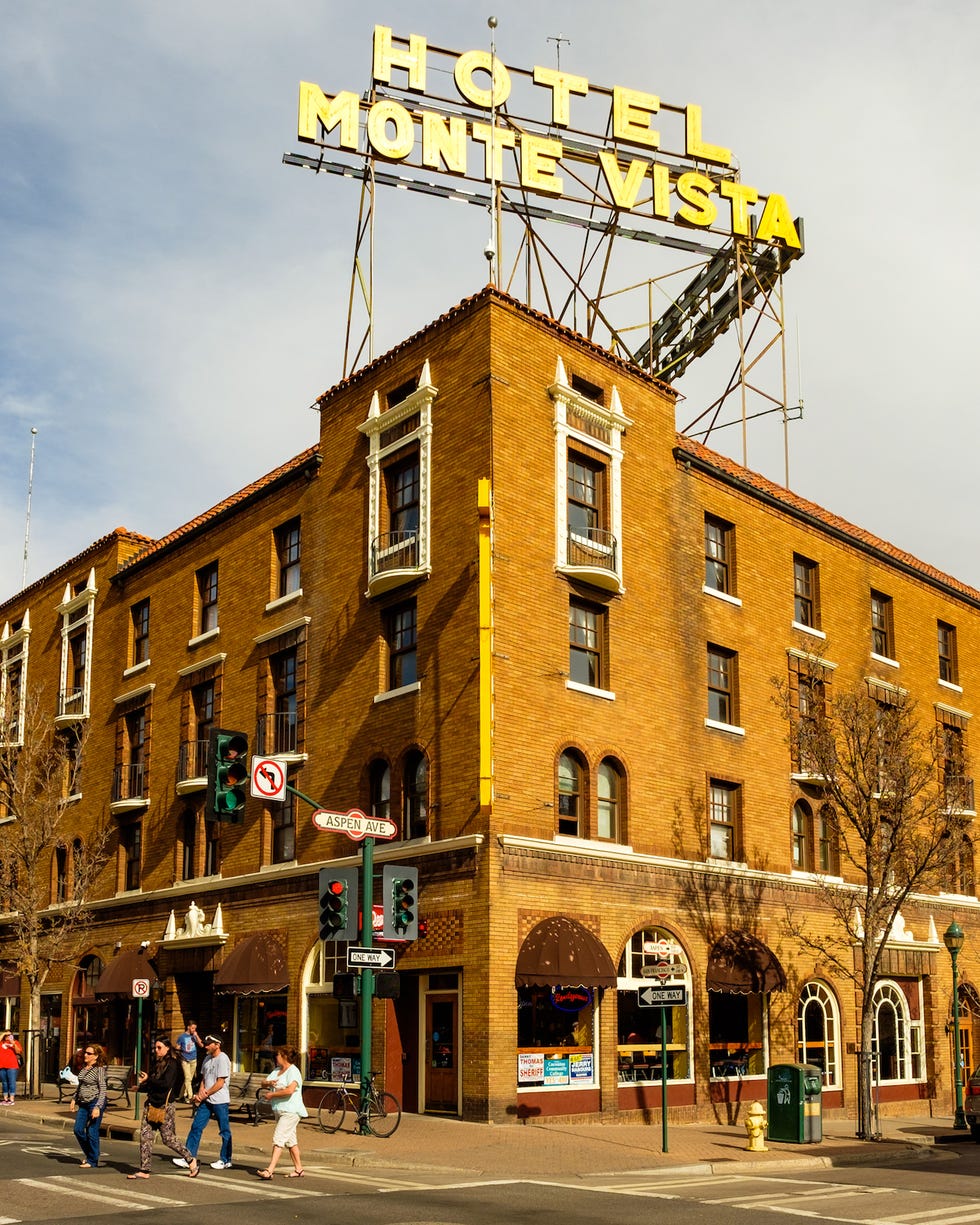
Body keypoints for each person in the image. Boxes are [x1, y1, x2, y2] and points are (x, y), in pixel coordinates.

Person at [127, 1035, 199, 1179]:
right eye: (155, 1048)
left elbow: (166, 1084)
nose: (156, 1050)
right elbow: (153, 1084)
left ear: (167, 1048)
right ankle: (144, 1170)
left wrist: (149, 1080)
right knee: (145, 1137)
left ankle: (191, 1160)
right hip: (151, 1104)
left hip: (165, 1106)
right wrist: (140, 1087)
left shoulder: (172, 1064)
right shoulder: (157, 1063)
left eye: (159, 1048)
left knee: (168, 1138)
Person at [173, 1033, 232, 1171]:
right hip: (207, 1100)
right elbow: (204, 1079)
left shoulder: (223, 1059)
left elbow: (220, 1083)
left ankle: (225, 1159)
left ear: (217, 1045)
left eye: (209, 1044)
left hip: (220, 1101)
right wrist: (200, 1094)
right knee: (196, 1127)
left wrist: (204, 1094)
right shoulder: (207, 1059)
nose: (206, 1046)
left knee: (224, 1130)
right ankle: (188, 1157)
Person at [255, 1045, 308, 1179]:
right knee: (290, 1141)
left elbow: (290, 1090)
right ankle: (299, 1169)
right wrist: (268, 1083)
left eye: (278, 1055)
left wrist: (272, 1095)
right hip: (280, 1110)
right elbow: (263, 1082)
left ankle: (269, 1170)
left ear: (284, 1056)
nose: (276, 1057)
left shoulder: (293, 1072)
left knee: (278, 1139)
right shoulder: (277, 1070)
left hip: (291, 1111)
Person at [72, 1043, 107, 1167]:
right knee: (78, 1130)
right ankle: (91, 1154)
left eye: (89, 1053)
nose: (85, 1055)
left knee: (92, 1131)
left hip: (95, 1101)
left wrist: (98, 1107)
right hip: (83, 1102)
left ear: (96, 1056)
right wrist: (74, 1099)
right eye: (85, 1053)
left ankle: (92, 1160)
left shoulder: (100, 1070)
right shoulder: (84, 1068)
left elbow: (103, 1089)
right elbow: (80, 1085)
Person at [175, 1020, 204, 1103]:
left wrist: (197, 1036)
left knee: (189, 1079)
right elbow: (177, 1047)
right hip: (185, 1059)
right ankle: (191, 1096)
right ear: (188, 1027)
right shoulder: (182, 1037)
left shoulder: (194, 1036)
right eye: (192, 1028)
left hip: (193, 1059)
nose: (194, 1030)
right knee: (188, 1078)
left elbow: (201, 1045)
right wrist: (180, 1053)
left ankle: (181, 1096)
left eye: (195, 1028)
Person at [0, 1032, 20, 1104]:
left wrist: (13, 1043)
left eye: (10, 1035)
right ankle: (5, 1099)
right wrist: (3, 1034)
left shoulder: (15, 1042)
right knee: (4, 1083)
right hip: (2, 1065)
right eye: (6, 1035)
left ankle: (11, 1099)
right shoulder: (1, 1042)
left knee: (11, 1082)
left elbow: (18, 1051)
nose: (8, 1037)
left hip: (12, 1065)